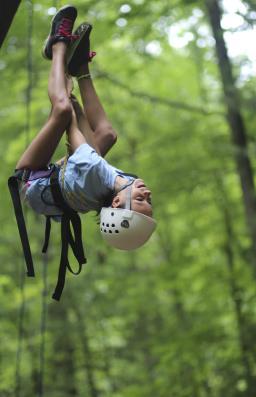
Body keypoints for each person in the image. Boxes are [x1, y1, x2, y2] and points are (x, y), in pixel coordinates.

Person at [15, 5, 156, 253]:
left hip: (30, 178)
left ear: (116, 201)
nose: (147, 192)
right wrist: (76, 95)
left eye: (140, 199)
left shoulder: (94, 172)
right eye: (149, 199)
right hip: (65, 179)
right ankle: (81, 69)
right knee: (107, 136)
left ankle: (56, 45)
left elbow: (73, 134)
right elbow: (87, 141)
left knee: (61, 110)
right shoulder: (119, 182)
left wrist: (69, 98)